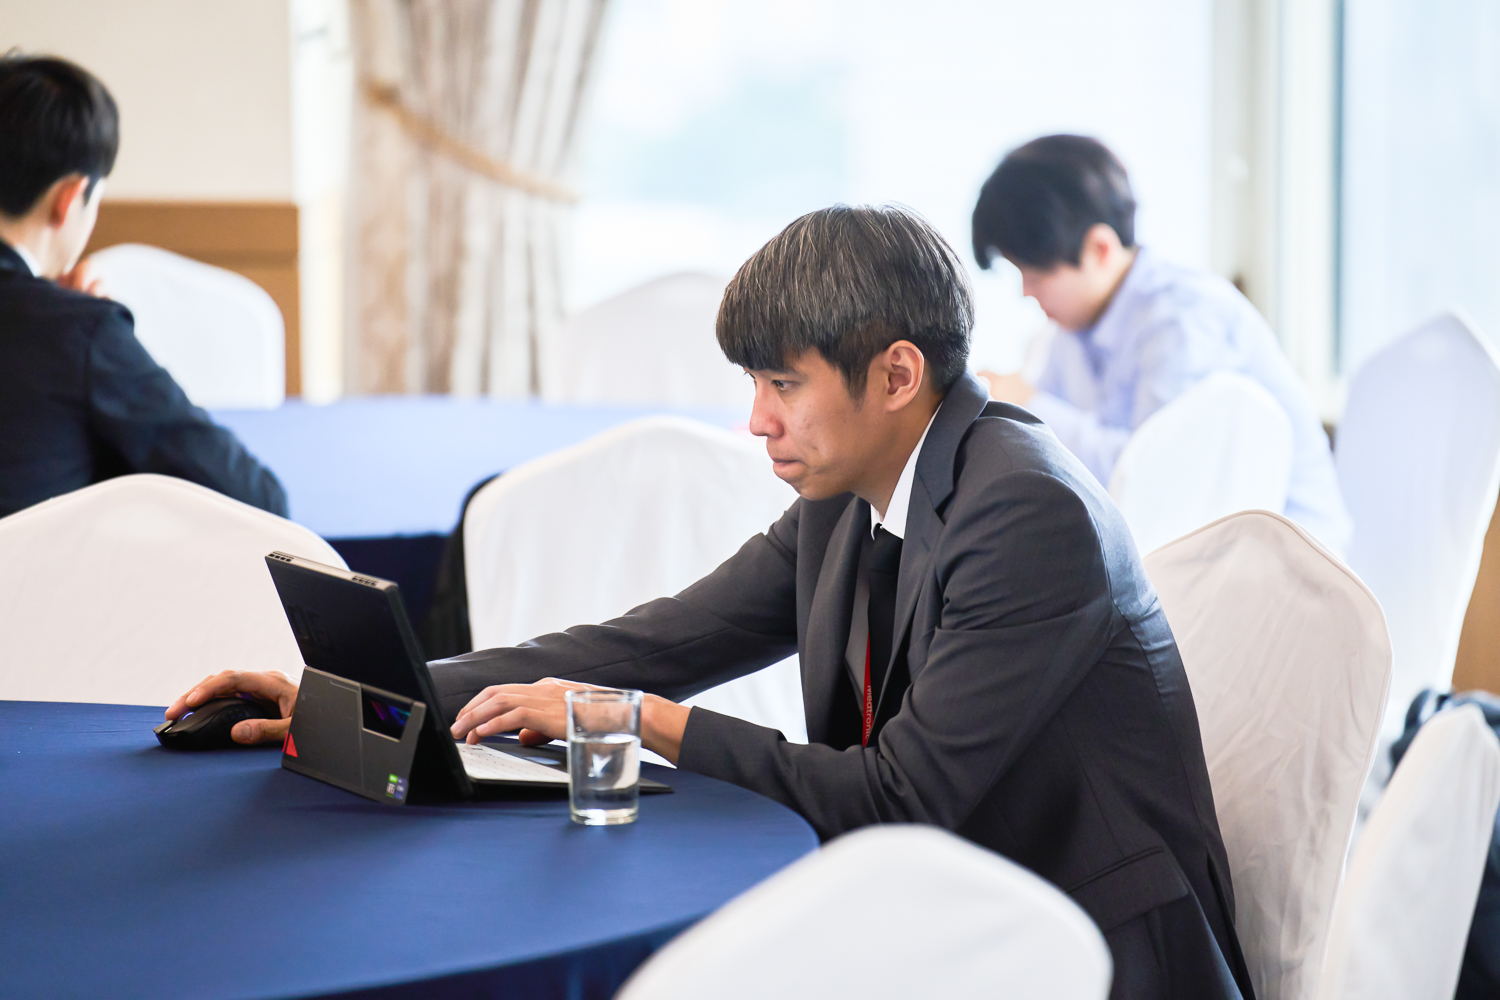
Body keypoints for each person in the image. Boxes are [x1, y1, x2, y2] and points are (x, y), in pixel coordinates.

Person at [171, 206, 1254, 999]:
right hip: (947, 909)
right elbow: (655, 640)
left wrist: (637, 722)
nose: (757, 422)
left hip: (1088, 949)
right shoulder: (849, 495)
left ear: (896, 375)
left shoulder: (1026, 513)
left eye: (784, 384)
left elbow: (901, 797)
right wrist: (369, 689)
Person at [972, 134, 1351, 552]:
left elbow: (1158, 490)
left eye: (1037, 275)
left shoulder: (1183, 319)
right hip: (1195, 560)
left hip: (1288, 563)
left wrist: (1029, 403)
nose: (1026, 292)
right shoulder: (1072, 329)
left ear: (1100, 249)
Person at [0, 54, 287, 519]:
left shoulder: (72, 328)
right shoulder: (79, 333)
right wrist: (80, 329)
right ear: (70, 198)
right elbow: (258, 499)